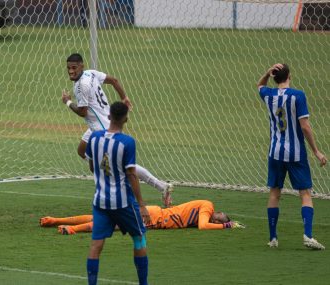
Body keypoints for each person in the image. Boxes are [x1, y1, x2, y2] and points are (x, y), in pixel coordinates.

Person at [62, 53, 172, 206]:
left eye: (74, 68)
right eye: (68, 68)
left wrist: (67, 102)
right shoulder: (91, 73)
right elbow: (114, 80)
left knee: (121, 165)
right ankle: (107, 175)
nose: (71, 71)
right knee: (82, 150)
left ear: (82, 66)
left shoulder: (82, 86)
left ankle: (161, 186)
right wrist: (124, 97)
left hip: (102, 131)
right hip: (100, 123)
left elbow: (83, 112)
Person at [257, 63, 327, 250]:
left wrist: (266, 73)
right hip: (296, 153)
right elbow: (305, 126)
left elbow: (259, 85)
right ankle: (308, 236)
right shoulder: (298, 96)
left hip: (275, 153)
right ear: (290, 76)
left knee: (274, 193)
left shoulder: (269, 95)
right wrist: (316, 151)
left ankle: (273, 239)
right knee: (305, 193)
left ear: (274, 76)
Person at [84, 101, 151, 285]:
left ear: (108, 116)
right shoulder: (128, 142)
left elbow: (92, 166)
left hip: (100, 202)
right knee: (139, 239)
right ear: (126, 119)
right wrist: (142, 205)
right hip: (123, 204)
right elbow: (131, 174)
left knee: (96, 245)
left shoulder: (94, 138)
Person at [40, 200, 245, 235]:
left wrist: (222, 223)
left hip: (155, 216)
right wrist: (226, 226)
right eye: (219, 218)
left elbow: (201, 224)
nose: (215, 219)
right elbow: (203, 226)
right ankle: (71, 229)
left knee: (104, 217)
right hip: (154, 217)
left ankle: (55, 220)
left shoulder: (204, 212)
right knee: (110, 224)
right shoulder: (207, 206)